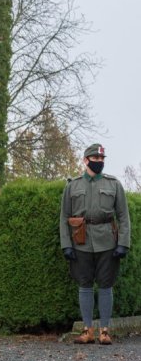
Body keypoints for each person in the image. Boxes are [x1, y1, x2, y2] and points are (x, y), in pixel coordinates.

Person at [60, 143, 131, 345]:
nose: (99, 162)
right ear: (85, 160)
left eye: (101, 159)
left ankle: (105, 331)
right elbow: (64, 216)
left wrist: (123, 243)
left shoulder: (114, 184)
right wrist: (66, 244)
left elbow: (123, 216)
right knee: (85, 285)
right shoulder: (72, 186)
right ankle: (87, 330)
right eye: (95, 159)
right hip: (80, 241)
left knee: (106, 286)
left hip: (108, 242)